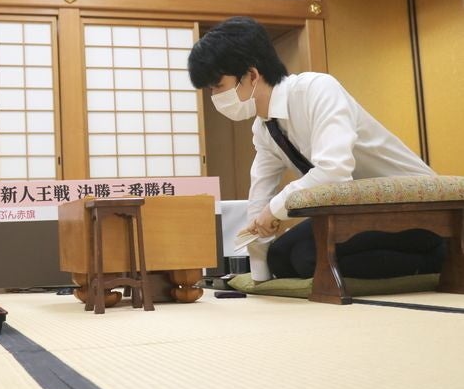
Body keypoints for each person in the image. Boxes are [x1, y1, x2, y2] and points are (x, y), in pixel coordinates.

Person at [187, 16, 444, 280]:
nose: (215, 97)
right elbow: (260, 193)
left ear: (252, 75)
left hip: (412, 208)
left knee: (308, 258)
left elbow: (334, 172)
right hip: (356, 209)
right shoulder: (264, 127)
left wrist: (274, 210)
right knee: (279, 259)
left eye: (218, 86)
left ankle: (440, 259)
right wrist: (258, 275)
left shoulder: (317, 90)